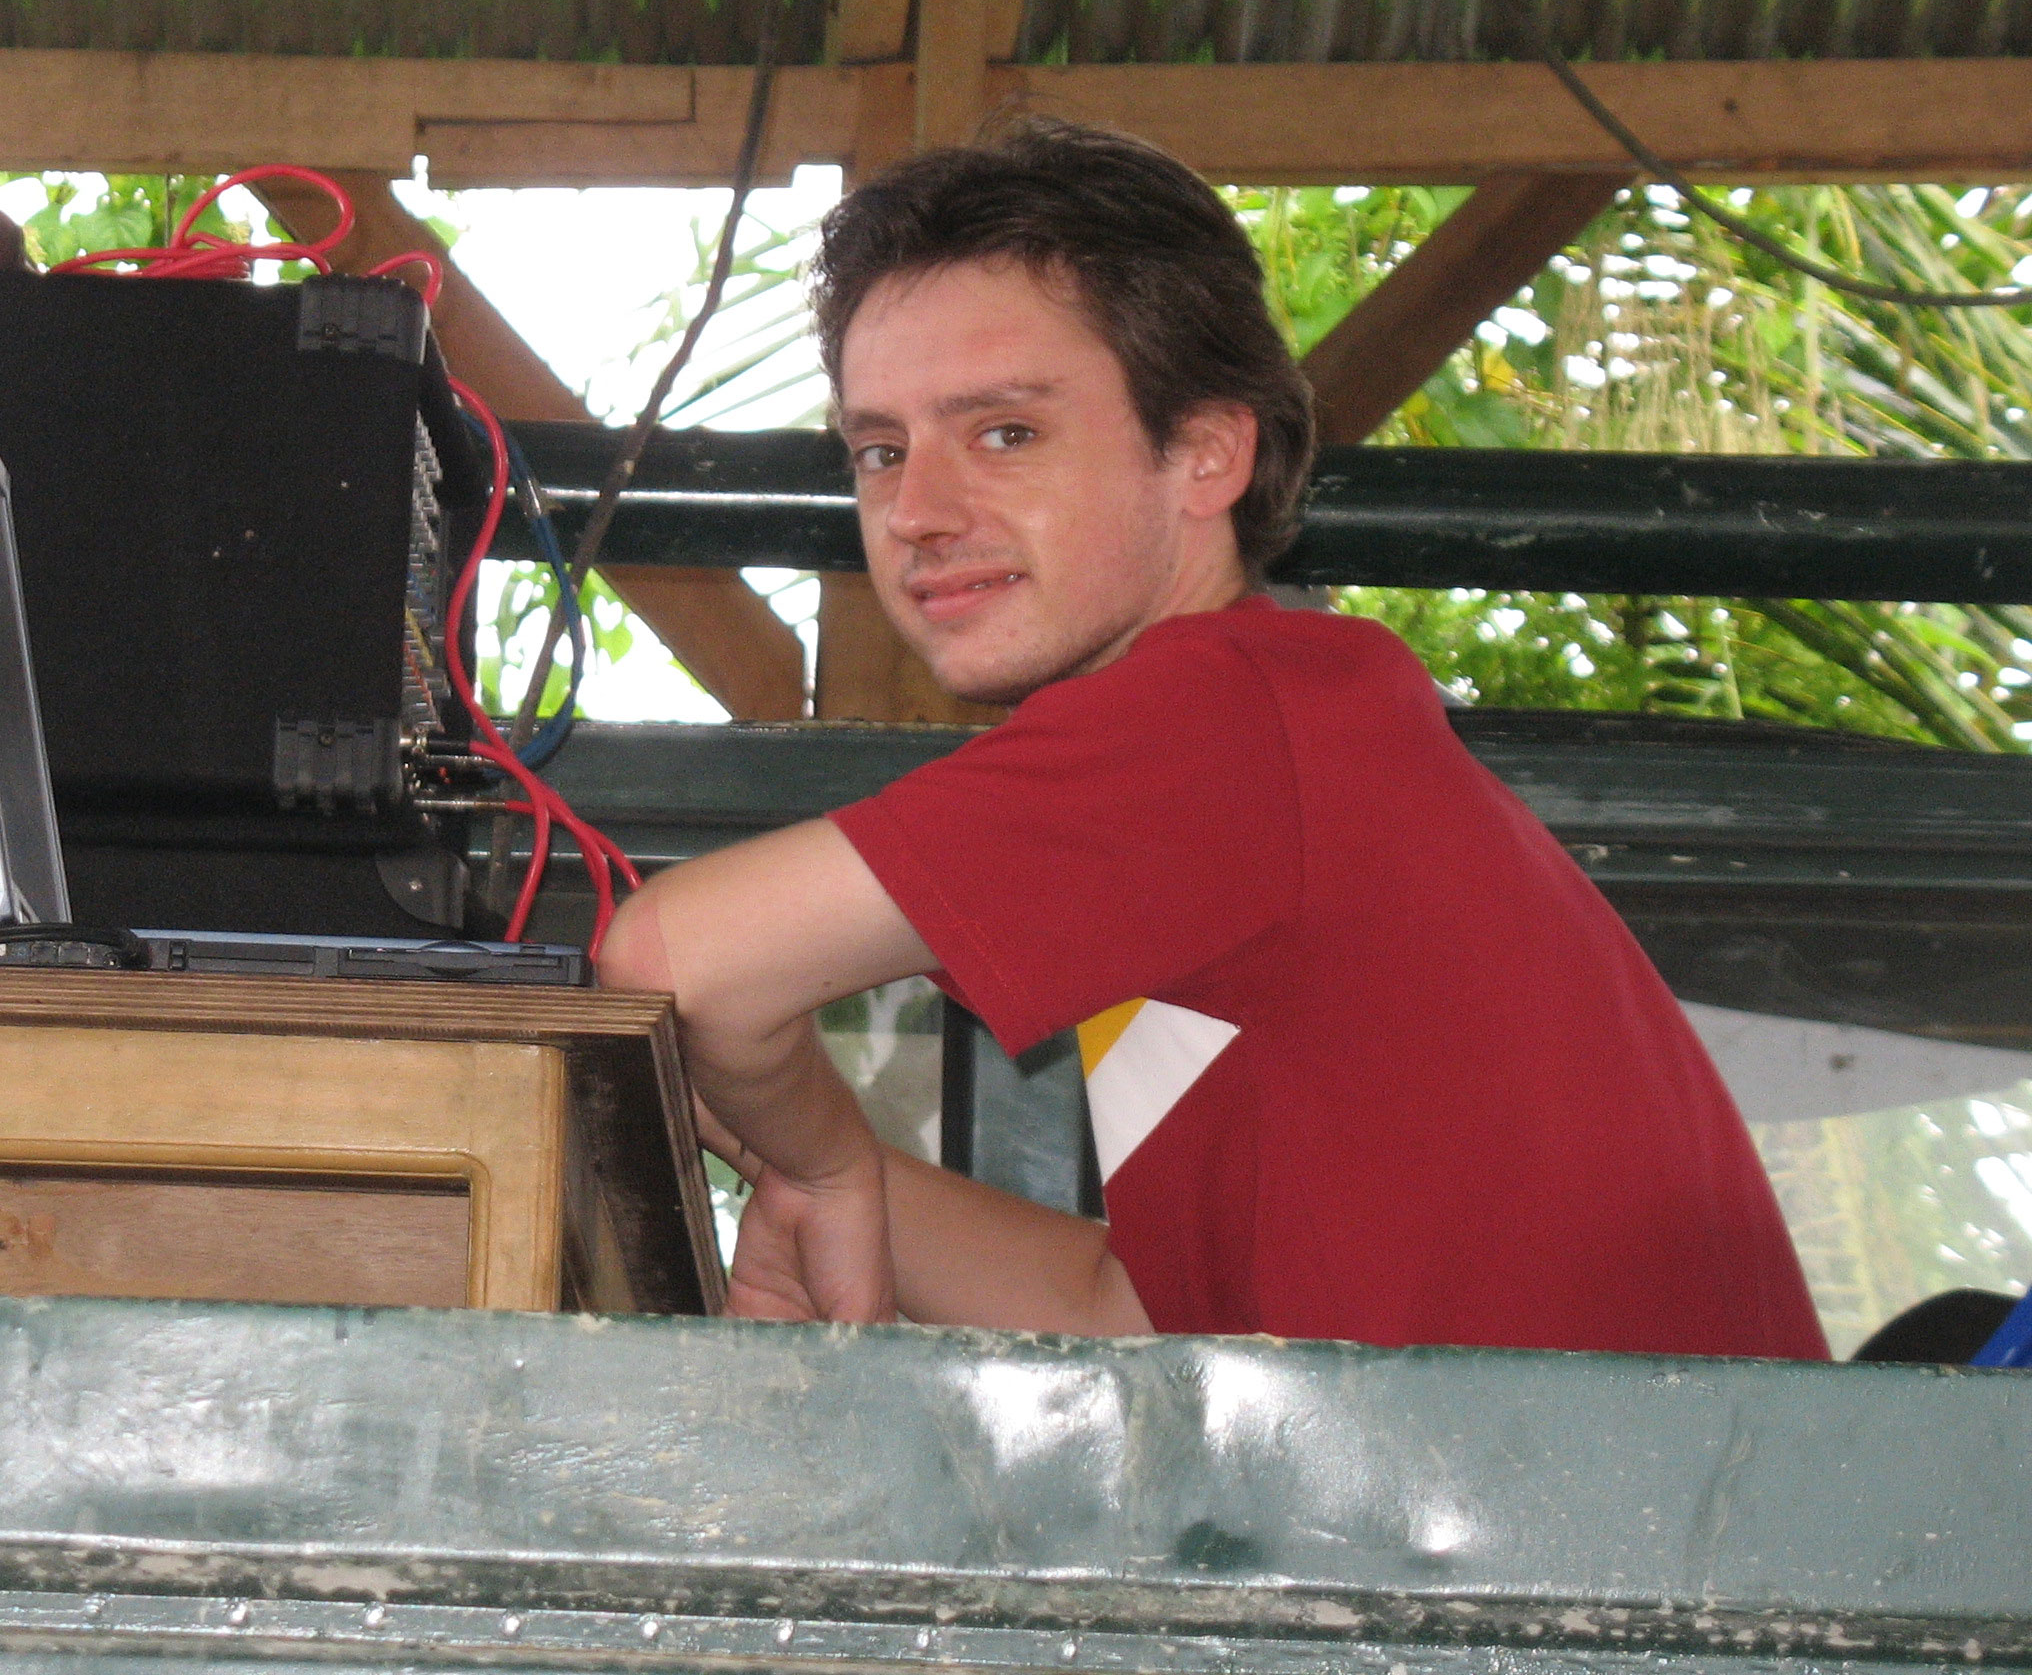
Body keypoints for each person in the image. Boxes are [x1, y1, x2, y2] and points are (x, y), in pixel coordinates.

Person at [596, 118, 1827, 1359]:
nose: (915, 511)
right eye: (879, 450)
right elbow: (1120, 1314)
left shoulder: (1228, 712)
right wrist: (810, 1161)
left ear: (1204, 452)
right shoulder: (1248, 810)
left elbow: (675, 963)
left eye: (1006, 433)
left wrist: (817, 1168)